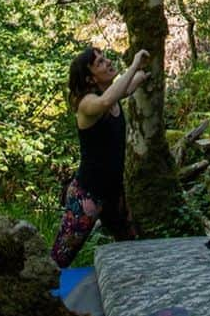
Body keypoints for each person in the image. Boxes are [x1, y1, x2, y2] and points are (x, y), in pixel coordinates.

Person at [51, 45, 150, 268]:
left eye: (105, 58)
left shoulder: (113, 95)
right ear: (89, 78)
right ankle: (39, 294)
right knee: (60, 258)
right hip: (88, 195)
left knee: (131, 247)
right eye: (99, 63)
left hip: (113, 193)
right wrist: (134, 65)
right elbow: (106, 101)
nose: (107, 62)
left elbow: (126, 88)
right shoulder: (87, 104)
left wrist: (144, 71)